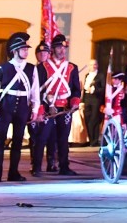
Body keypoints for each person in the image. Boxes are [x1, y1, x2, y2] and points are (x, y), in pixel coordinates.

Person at [0, 32, 41, 182]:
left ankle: (13, 172)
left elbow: (35, 90)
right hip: (6, 105)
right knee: (0, 139)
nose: (27, 51)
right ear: (15, 51)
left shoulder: (31, 68)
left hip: (23, 106)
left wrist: (35, 109)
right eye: (23, 49)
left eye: (27, 49)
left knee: (18, 141)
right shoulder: (3, 68)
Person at [36, 34, 82, 176]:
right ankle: (37, 167)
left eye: (64, 48)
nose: (62, 50)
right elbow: (37, 90)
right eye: (59, 47)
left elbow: (75, 89)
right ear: (53, 49)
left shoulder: (72, 67)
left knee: (63, 139)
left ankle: (64, 166)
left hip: (65, 108)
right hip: (48, 108)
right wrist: (44, 107)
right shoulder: (43, 67)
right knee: (42, 138)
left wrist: (74, 102)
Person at [29, 41, 56, 175]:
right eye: (40, 53)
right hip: (34, 107)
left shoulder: (53, 70)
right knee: (34, 137)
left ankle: (51, 163)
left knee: (50, 136)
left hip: (48, 107)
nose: (43, 55)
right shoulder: (30, 70)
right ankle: (35, 163)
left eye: (45, 52)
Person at [83, 59, 104, 147]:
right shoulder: (87, 75)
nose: (93, 66)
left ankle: (94, 141)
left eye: (95, 64)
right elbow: (84, 90)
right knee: (87, 119)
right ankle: (91, 140)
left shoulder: (100, 75)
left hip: (96, 99)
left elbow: (103, 88)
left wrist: (95, 90)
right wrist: (82, 101)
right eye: (91, 65)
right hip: (87, 99)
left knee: (94, 120)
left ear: (97, 65)